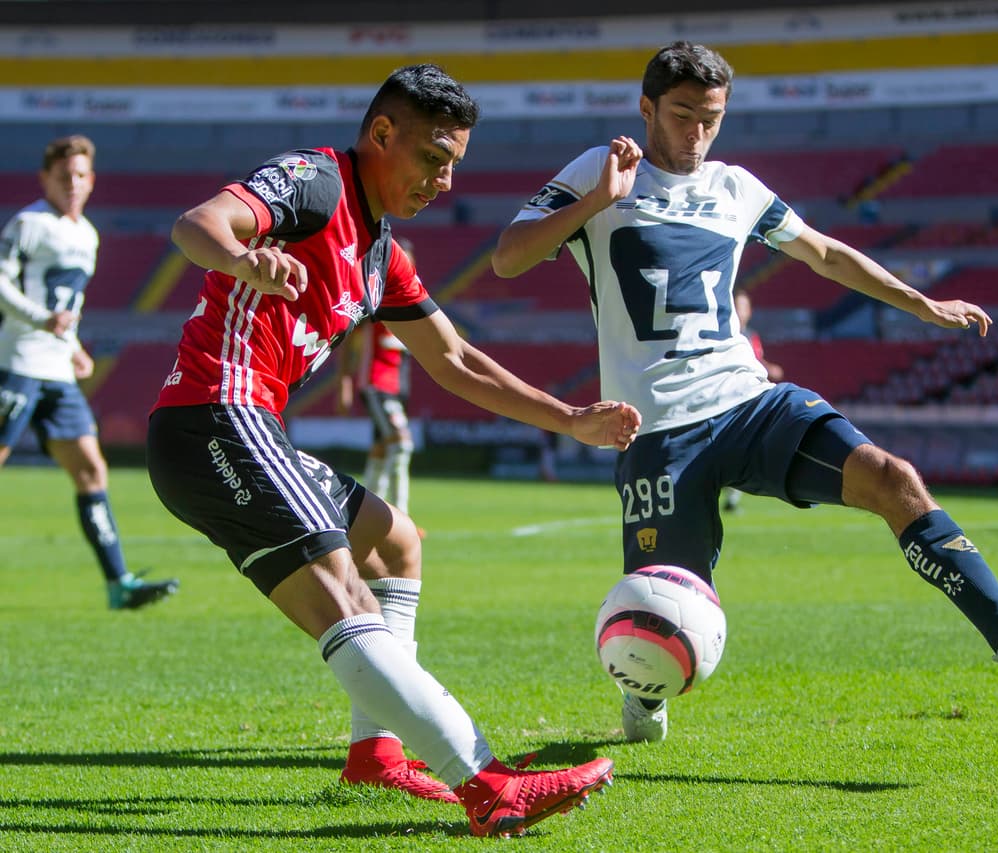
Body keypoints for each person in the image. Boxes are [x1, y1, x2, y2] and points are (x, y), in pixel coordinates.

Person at [492, 41, 998, 743]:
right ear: (646, 108)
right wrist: (600, 201)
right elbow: (507, 258)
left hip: (748, 402)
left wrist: (920, 303)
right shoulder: (600, 173)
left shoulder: (737, 188)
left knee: (891, 476)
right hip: (656, 431)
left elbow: (822, 251)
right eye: (682, 114)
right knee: (657, 610)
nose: (697, 132)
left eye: (712, 117)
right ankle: (644, 694)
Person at [146, 65, 639, 837]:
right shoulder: (315, 181)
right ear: (382, 135)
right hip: (215, 414)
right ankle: (486, 780)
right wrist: (241, 258)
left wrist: (569, 418)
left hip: (245, 425)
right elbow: (196, 223)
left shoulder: (382, 256)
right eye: (433, 157)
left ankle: (375, 752)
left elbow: (457, 362)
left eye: (455, 165)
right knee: (344, 594)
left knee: (398, 542)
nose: (443, 180)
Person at [0, 134, 178, 610]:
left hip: (56, 370)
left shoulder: (87, 235)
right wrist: (43, 324)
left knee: (91, 470)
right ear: (46, 179)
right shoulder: (29, 223)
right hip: (15, 365)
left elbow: (64, 306)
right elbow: (2, 283)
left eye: (80, 176)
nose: (73, 185)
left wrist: (72, 346)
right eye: (64, 177)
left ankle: (119, 583)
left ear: (92, 180)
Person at [338, 237, 418, 520]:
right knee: (402, 443)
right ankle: (401, 516)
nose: (404, 264)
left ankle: (363, 515)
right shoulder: (373, 298)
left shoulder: (412, 296)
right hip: (375, 383)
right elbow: (348, 339)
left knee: (382, 448)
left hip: (398, 385)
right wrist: (345, 383)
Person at [722, 289, 782, 512]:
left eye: (743, 307)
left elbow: (756, 360)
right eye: (737, 306)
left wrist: (769, 367)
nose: (740, 312)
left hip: (743, 399)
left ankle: (732, 497)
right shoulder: (723, 333)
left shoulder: (750, 336)